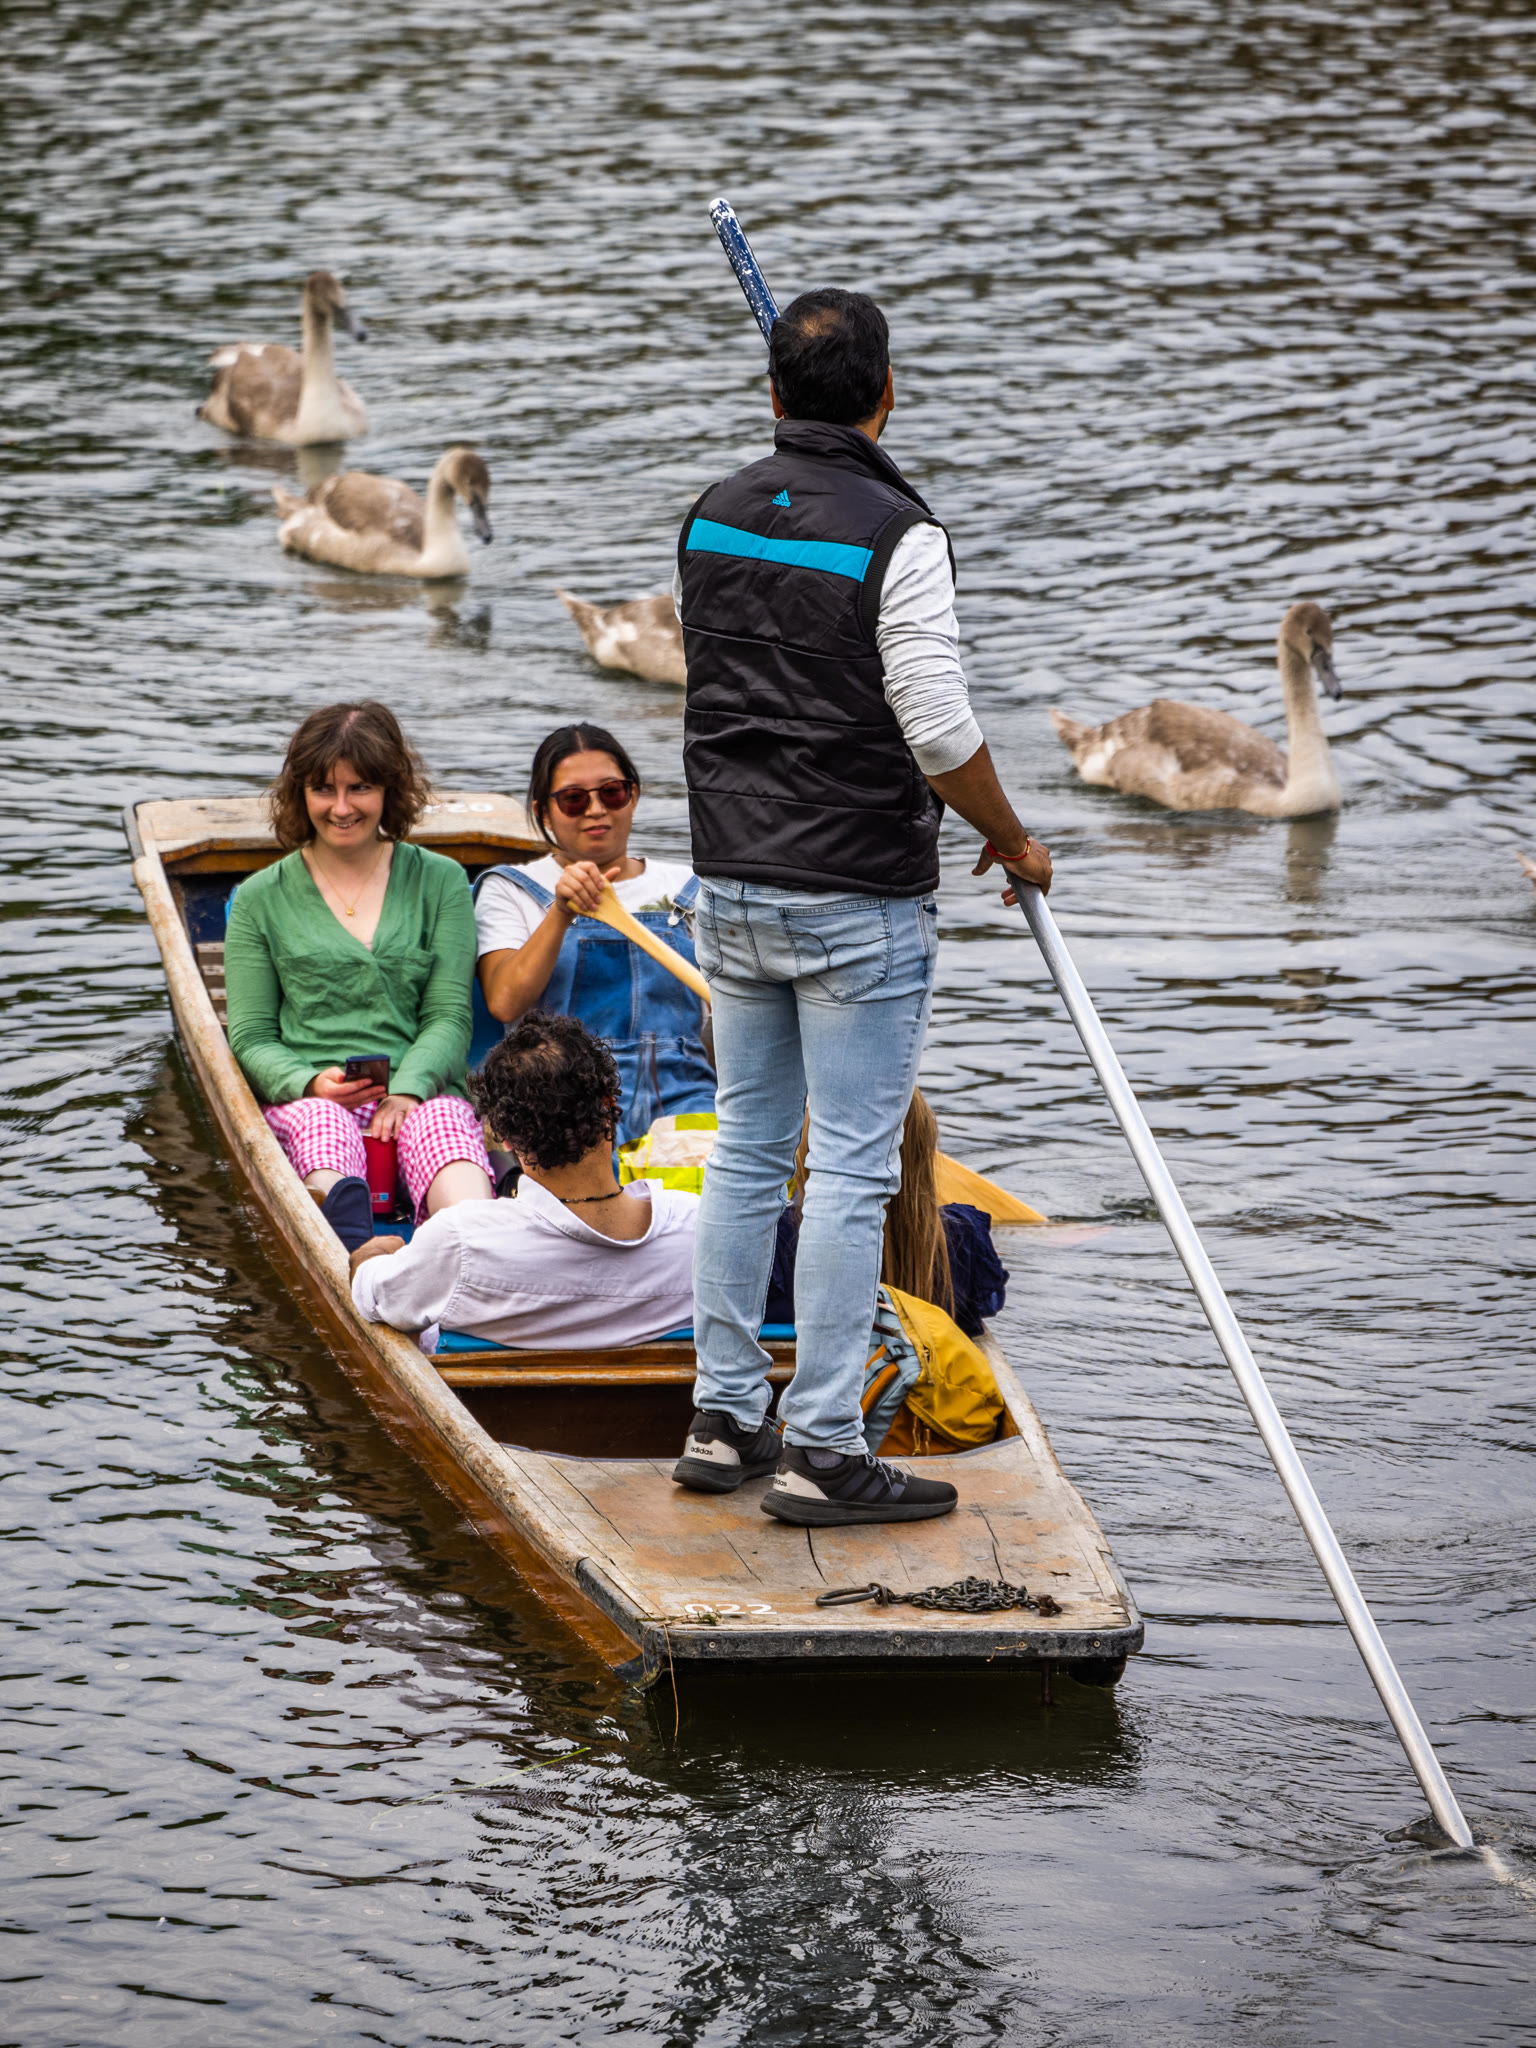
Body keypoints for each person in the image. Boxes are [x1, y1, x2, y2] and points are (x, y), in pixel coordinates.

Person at [671, 286, 1053, 1528]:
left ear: (771, 393)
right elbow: (936, 726)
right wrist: (1011, 835)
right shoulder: (902, 536)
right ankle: (826, 1446)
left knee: (745, 1144)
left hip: (731, 878)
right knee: (845, 1167)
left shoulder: (711, 515)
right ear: (889, 394)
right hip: (853, 898)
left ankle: (725, 1415)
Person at [225, 701, 495, 1253]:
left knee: (444, 1124)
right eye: (324, 789)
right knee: (323, 1126)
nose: (342, 807)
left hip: (419, 1087)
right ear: (301, 793)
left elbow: (448, 1015)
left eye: (360, 788)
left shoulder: (441, 881)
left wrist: (408, 1091)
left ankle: (475, 1242)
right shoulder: (258, 898)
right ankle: (345, 1247)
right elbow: (251, 1037)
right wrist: (310, 1082)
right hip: (313, 1095)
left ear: (389, 790)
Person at [350, 1012, 697, 1350]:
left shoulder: (462, 1240)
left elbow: (373, 1295)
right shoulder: (696, 1228)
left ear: (504, 1136)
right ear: (609, 1104)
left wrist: (372, 1254)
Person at [474, 724, 715, 1146]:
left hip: (683, 1091)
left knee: (710, 1173)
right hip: (555, 1103)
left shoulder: (689, 886)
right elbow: (505, 1001)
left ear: (633, 795)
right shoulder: (510, 888)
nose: (596, 809)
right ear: (544, 813)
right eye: (574, 799)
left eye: (612, 792)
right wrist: (560, 913)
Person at [766, 1089, 1008, 1339]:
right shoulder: (963, 1240)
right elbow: (975, 1318)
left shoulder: (774, 1240)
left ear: (810, 1148)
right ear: (922, 1151)